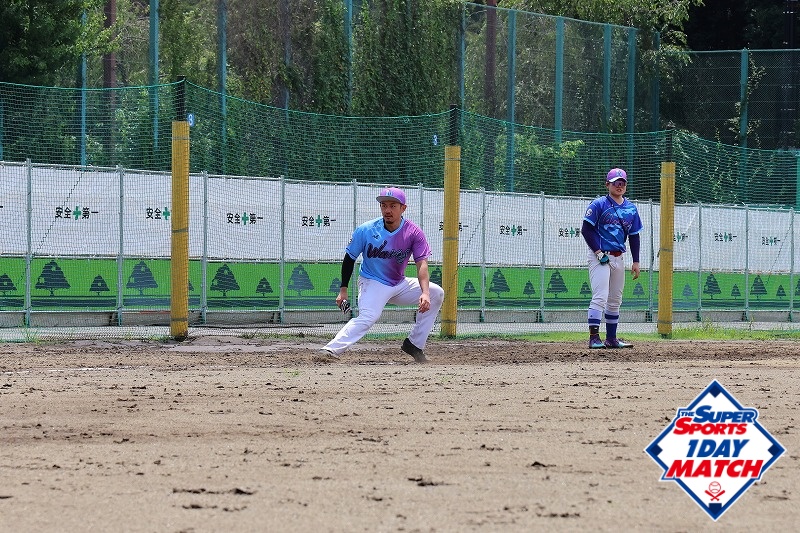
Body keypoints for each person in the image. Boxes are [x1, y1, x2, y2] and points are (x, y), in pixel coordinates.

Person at [314, 186, 444, 363]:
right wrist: (343, 290)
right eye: (384, 205)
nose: (387, 210)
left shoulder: (413, 232)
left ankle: (414, 344)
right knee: (369, 316)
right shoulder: (366, 230)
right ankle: (330, 349)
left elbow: (422, 264)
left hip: (398, 283)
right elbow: (349, 259)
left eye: (393, 206)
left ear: (403, 208)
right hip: (373, 282)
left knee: (436, 293)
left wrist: (425, 293)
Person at [581, 168, 643, 349]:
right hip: (600, 256)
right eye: (616, 182)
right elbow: (586, 230)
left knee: (615, 299)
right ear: (607, 184)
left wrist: (636, 261)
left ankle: (611, 339)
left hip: (618, 257)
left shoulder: (631, 208)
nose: (619, 186)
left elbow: (634, 235)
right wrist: (598, 252)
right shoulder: (599, 204)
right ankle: (594, 338)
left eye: (622, 182)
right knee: (600, 296)